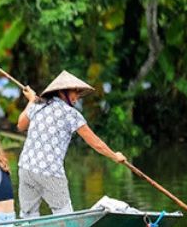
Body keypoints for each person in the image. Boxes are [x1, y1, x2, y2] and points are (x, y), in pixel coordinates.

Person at [16, 71, 127, 218]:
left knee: (27, 215)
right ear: (62, 92)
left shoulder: (37, 105)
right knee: (64, 215)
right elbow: (95, 143)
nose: (77, 98)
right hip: (49, 171)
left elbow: (20, 125)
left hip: (26, 167)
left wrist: (31, 101)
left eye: (79, 94)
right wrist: (114, 156)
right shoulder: (71, 114)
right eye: (75, 92)